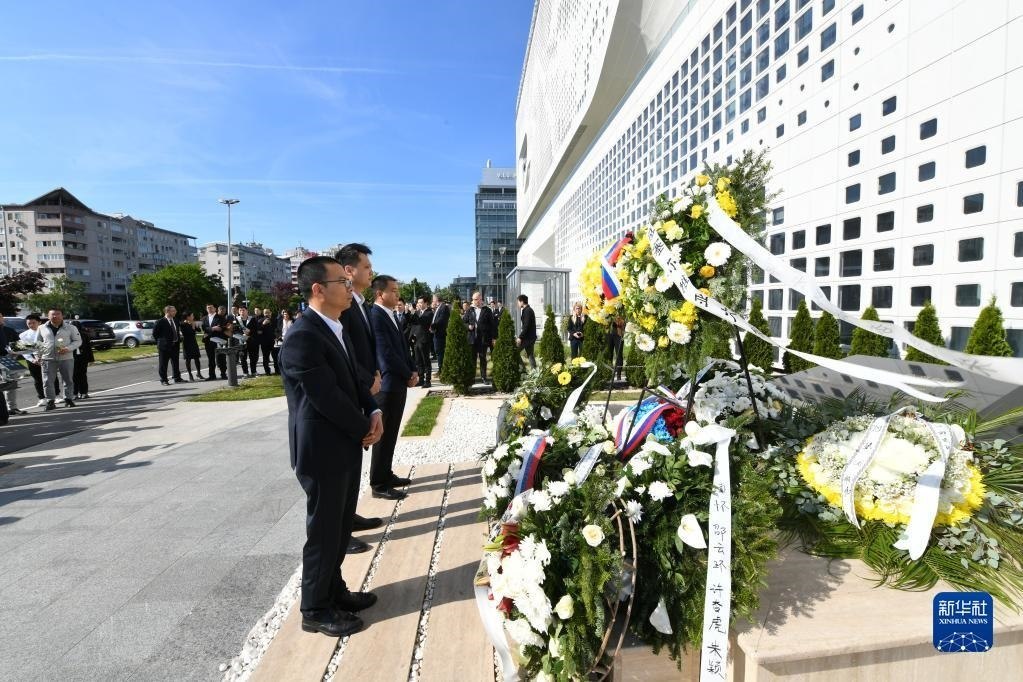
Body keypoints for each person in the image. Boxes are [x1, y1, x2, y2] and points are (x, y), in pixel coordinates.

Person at [280, 255, 382, 638]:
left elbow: (353, 382)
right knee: (324, 531)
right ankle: (315, 608)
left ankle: (333, 590)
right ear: (318, 289)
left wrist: (373, 410)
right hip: (322, 449)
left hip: (344, 442)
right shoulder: (303, 335)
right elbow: (326, 397)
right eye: (342, 281)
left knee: (340, 527)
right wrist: (364, 427)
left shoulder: (334, 326)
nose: (350, 286)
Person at [335, 243, 385, 551]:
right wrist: (368, 380)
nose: (371, 271)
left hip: (366, 387)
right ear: (349, 271)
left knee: (353, 464)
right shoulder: (343, 306)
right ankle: (339, 533)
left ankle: (349, 518)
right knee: (342, 468)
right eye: (366, 267)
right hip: (354, 388)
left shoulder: (359, 303)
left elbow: (365, 347)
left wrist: (374, 375)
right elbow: (346, 351)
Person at [368, 275, 417, 500]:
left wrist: (412, 370)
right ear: (380, 294)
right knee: (383, 435)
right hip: (387, 385)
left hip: (398, 382)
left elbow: (402, 348)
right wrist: (407, 374)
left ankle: (386, 474)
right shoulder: (376, 315)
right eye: (394, 291)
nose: (398, 294)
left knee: (391, 433)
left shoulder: (391, 314)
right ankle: (378, 484)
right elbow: (385, 353)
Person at [37, 308, 81, 410]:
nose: (55, 316)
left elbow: (77, 341)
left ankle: (68, 399)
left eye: (58, 314)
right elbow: (38, 342)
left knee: (68, 379)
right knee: (47, 381)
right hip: (47, 358)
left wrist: (68, 348)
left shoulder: (71, 327)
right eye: (52, 314)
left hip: (66, 357)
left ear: (62, 315)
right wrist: (38, 355)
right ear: (48, 316)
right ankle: (50, 401)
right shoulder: (41, 328)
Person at [18, 313, 54, 406]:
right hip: (32, 360)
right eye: (29, 323)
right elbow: (24, 350)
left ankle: (55, 395)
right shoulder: (23, 335)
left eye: (33, 323)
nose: (31, 325)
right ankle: (42, 398)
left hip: (47, 357)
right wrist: (32, 360)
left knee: (51, 378)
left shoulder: (47, 332)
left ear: (39, 322)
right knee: (37, 379)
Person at [463, 291, 495, 383]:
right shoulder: (470, 310)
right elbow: (463, 322)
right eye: (473, 299)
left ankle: (483, 377)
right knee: (472, 359)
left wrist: (493, 337)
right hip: (472, 339)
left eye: (476, 299)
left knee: (482, 358)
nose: (474, 301)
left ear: (480, 299)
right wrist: (468, 326)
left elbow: (492, 325)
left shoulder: (487, 310)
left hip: (483, 339)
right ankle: (472, 377)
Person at [153, 305, 184, 385]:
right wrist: (161, 342)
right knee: (163, 363)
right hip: (164, 346)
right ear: (167, 312)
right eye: (173, 311)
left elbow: (177, 331)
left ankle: (177, 378)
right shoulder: (160, 322)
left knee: (175, 362)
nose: (175, 312)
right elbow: (155, 334)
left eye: (175, 310)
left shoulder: (175, 320)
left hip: (175, 344)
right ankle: (164, 380)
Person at [0, 313, 25, 414]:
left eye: (0, 317)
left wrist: (15, 353)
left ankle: (12, 408)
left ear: (2, 318)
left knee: (11, 384)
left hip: (8, 360)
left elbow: (19, 346)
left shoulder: (9, 330)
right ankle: (2, 410)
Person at [69, 319, 94, 399]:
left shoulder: (84, 335)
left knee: (82, 375)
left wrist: (91, 359)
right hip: (72, 358)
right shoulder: (68, 336)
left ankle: (84, 392)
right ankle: (75, 393)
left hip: (83, 357)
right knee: (74, 376)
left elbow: (89, 348)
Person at [411, 297, 433, 387]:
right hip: (416, 340)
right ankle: (421, 379)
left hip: (424, 340)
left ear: (426, 303)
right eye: (418, 302)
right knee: (418, 361)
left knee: (425, 361)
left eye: (421, 302)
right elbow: (412, 323)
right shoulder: (417, 313)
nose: (419, 304)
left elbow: (422, 321)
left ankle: (428, 381)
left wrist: (414, 313)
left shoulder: (429, 313)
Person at [201, 304, 227, 380]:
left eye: (211, 308)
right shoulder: (204, 318)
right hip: (208, 341)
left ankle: (223, 374)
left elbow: (222, 327)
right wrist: (213, 328)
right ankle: (212, 375)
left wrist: (217, 328)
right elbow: (204, 328)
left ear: (215, 309)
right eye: (208, 308)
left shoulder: (220, 317)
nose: (209, 309)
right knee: (211, 358)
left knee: (221, 357)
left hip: (218, 340)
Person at [429, 294, 450, 377]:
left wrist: (432, 326)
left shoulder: (444, 307)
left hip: (441, 334)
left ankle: (442, 371)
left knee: (440, 353)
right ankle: (440, 369)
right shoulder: (438, 307)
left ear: (437, 299)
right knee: (438, 352)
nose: (432, 300)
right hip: (436, 333)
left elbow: (442, 320)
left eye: (433, 299)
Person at [516, 294, 537, 370]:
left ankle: (523, 370)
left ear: (522, 302)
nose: (517, 304)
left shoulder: (527, 311)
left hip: (527, 338)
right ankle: (534, 372)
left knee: (515, 352)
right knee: (530, 355)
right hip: (530, 337)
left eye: (518, 302)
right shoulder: (527, 310)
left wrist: (520, 337)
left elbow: (526, 326)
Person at [180, 311, 203, 381]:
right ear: (188, 317)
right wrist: (193, 326)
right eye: (192, 315)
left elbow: (199, 330)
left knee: (197, 358)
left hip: (193, 342)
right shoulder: (183, 324)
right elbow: (188, 333)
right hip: (187, 343)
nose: (193, 317)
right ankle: (190, 375)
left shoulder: (192, 323)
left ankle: (199, 373)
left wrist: (194, 325)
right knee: (188, 359)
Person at [259, 307, 277, 375]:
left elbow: (278, 329)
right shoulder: (260, 321)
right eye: (265, 313)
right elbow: (259, 332)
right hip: (264, 342)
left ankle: (277, 370)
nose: (267, 314)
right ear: (263, 314)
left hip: (274, 341)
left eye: (268, 312)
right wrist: (263, 324)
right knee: (266, 357)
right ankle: (267, 371)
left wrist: (277, 336)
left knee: (275, 357)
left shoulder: (275, 320)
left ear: (271, 313)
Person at [608, 315, 626, 382]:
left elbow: (623, 321)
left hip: (619, 334)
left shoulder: (620, 311)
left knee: (619, 355)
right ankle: (609, 373)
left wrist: (617, 320)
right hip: (609, 334)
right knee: (609, 354)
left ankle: (618, 374)